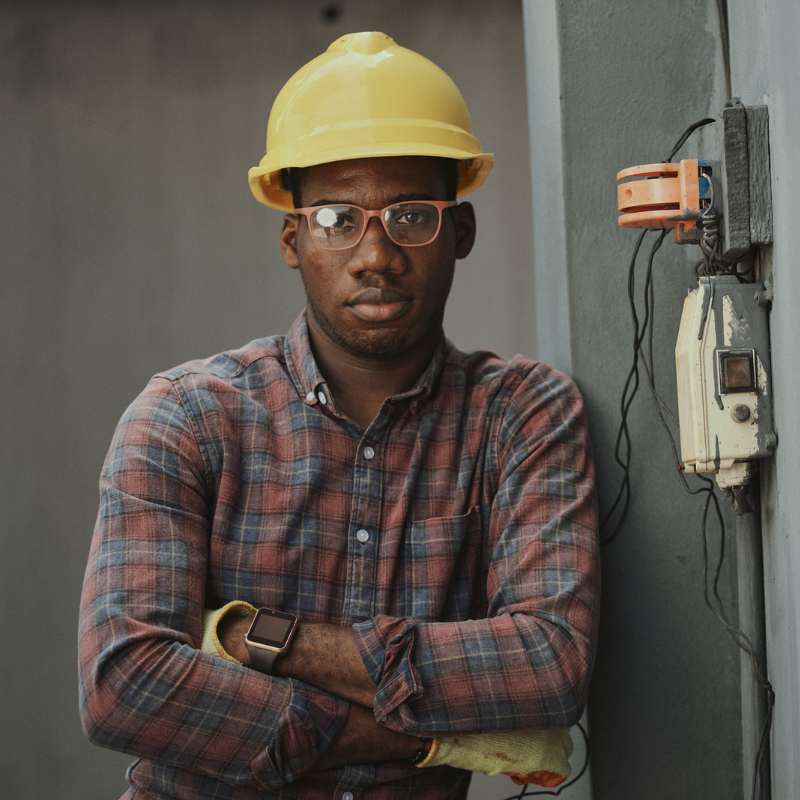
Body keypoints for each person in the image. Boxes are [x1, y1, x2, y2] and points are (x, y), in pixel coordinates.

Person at [79, 31, 599, 800]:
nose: (376, 254)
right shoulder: (186, 417)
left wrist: (264, 642)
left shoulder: (522, 416)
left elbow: (550, 666)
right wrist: (430, 738)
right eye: (335, 220)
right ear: (293, 240)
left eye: (411, 216)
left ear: (461, 232)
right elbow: (124, 684)